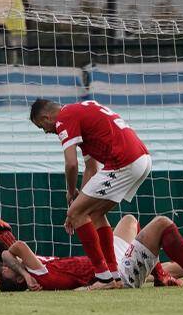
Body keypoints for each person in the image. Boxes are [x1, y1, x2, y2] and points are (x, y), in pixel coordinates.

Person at [30, 98, 151, 289]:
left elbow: (71, 164)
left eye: (41, 126)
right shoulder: (82, 114)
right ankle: (114, 275)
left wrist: (71, 195)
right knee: (93, 214)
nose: (45, 131)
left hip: (124, 161)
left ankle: (103, 278)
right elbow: (91, 168)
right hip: (141, 159)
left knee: (77, 214)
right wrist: (78, 203)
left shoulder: (63, 119)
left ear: (46, 117)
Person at [0, 214, 183, 292]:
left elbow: (6, 256)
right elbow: (15, 248)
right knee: (161, 223)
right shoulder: (38, 274)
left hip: (111, 261)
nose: (7, 264)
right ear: (18, 277)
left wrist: (18, 272)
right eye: (9, 270)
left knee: (128, 220)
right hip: (117, 272)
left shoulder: (30, 271)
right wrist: (25, 275)